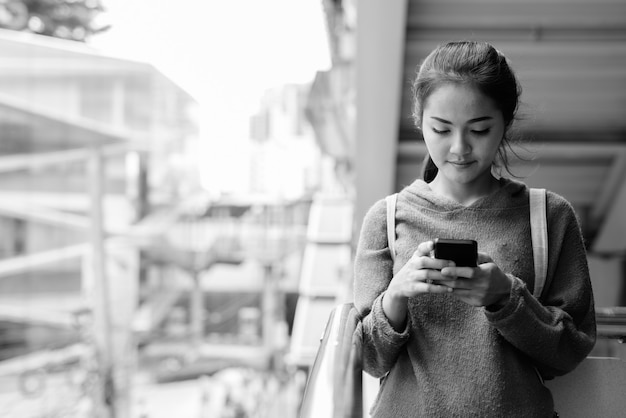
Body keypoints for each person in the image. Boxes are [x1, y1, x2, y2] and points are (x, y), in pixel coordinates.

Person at [353, 40, 596, 417]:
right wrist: (396, 298)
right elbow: (368, 358)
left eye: (479, 129)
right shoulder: (386, 219)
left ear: (505, 123)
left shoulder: (547, 216)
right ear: (420, 121)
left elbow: (569, 349)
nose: (459, 148)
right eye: (441, 129)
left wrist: (506, 297)